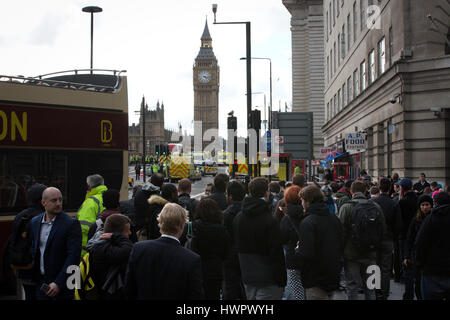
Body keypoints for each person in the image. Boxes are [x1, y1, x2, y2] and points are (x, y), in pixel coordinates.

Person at [125, 203, 205, 299]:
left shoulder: (139, 248)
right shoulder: (191, 259)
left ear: (160, 222)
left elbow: (129, 288)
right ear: (182, 225)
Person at [233, 177, 286, 300]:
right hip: (268, 277)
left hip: (247, 273)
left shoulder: (239, 218)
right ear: (266, 192)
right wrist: (281, 280)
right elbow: (276, 252)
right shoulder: (269, 220)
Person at [29, 187, 82, 300]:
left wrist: (59, 283)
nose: (58, 203)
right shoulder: (35, 222)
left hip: (64, 284)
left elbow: (74, 257)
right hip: (42, 283)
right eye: (54, 200)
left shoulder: (71, 224)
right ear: (43, 203)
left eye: (60, 200)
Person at [339, 181, 386, 300]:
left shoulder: (346, 207)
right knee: (371, 286)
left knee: (352, 285)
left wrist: (341, 251)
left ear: (351, 191)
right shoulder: (375, 207)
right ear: (365, 191)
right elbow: (383, 229)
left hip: (351, 254)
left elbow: (341, 231)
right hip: (371, 253)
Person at [295, 186, 343, 300]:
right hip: (332, 273)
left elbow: (306, 253)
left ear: (308, 201)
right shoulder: (334, 218)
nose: (301, 204)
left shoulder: (308, 222)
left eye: (302, 200)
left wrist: (298, 250)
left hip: (315, 278)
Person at [185, 199, 231, 300]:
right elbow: (226, 253)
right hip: (215, 269)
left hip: (195, 267)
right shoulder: (222, 230)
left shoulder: (193, 226)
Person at [9, 183, 47, 300]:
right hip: (39, 271)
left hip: (23, 267)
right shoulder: (44, 217)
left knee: (29, 295)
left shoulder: (20, 216)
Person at [370, 178, 403, 300]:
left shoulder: (372, 202)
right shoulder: (394, 203)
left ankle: (373, 291)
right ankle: (384, 294)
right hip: (388, 239)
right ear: (390, 189)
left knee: (373, 266)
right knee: (385, 269)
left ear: (379, 188)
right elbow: (398, 225)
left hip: (374, 239)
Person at [413, 192, 450, 300]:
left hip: (432, 271)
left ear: (435, 203)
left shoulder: (430, 219)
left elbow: (420, 243)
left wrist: (419, 263)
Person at [88, 214, 133, 300]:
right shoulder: (102, 248)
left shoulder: (104, 244)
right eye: (127, 230)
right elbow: (128, 251)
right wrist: (118, 237)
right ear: (117, 233)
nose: (130, 233)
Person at [402, 194, 433, 300]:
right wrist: (407, 255)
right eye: (423, 205)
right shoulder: (415, 220)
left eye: (427, 205)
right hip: (416, 255)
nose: (425, 207)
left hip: (429, 256)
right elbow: (409, 238)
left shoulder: (433, 219)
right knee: (417, 282)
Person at [279, 186, 305, 300]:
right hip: (308, 256)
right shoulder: (308, 214)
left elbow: (282, 238)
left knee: (296, 290)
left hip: (292, 258)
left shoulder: (286, 218)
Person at [222, 181, 247, 300]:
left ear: (231, 196)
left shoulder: (226, 214)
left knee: (230, 290)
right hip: (247, 255)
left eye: (227, 194)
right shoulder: (248, 211)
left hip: (230, 258)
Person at [77, 174, 108, 257]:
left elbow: (84, 227)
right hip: (103, 245)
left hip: (86, 249)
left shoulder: (91, 201)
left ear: (89, 186)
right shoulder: (106, 197)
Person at [398, 178, 418, 282]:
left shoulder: (403, 202)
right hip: (416, 232)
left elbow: (399, 219)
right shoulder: (417, 199)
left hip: (405, 233)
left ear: (402, 188)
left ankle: (406, 278)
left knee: (405, 258)